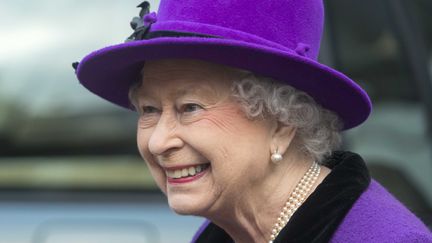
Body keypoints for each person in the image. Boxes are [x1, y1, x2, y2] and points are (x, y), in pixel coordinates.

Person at [73, 0, 432, 242]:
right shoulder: (224, 232)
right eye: (149, 111)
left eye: (190, 108)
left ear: (281, 122)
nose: (158, 142)